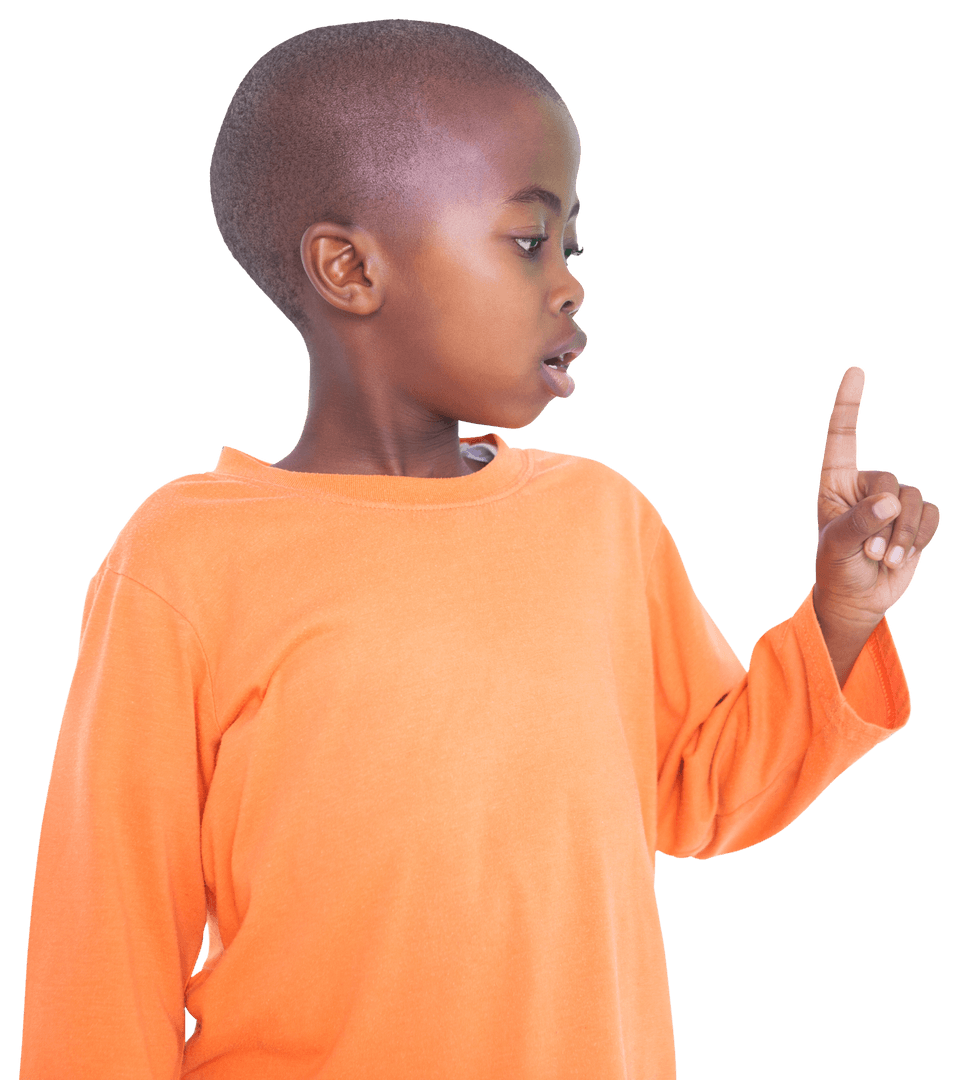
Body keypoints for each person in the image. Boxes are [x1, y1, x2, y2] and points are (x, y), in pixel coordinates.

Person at [19, 17, 941, 1080]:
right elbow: (108, 938)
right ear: (348, 268)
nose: (571, 283)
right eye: (525, 239)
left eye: (570, 244)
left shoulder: (602, 520)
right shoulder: (183, 558)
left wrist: (840, 617)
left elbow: (703, 790)